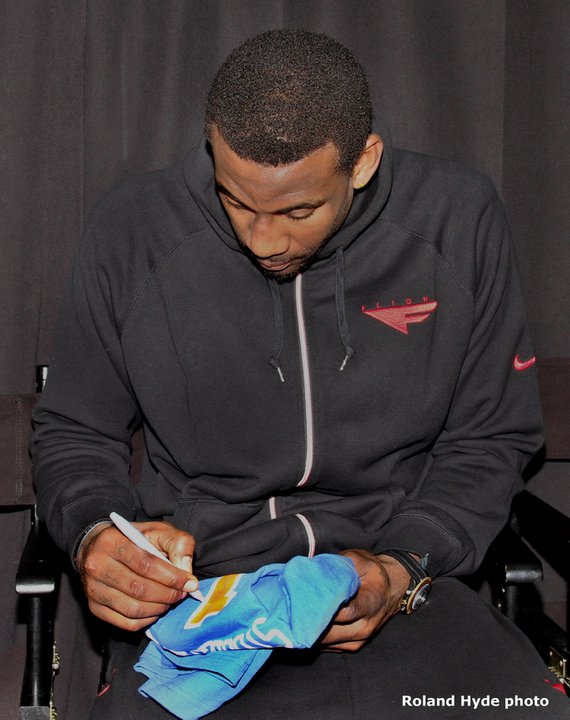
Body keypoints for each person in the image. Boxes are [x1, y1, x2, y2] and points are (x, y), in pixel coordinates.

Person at [31, 29, 569, 719]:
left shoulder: (455, 220)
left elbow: (491, 437)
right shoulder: (133, 231)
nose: (263, 239)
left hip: (406, 586)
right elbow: (75, 433)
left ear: (363, 161)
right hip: (204, 598)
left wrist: (403, 564)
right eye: (236, 200)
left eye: (298, 211)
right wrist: (96, 536)